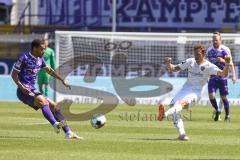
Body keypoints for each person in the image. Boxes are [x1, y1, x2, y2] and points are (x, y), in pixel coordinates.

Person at [11, 39, 83, 140]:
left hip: (32, 90)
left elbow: (50, 71)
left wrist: (62, 80)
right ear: (35, 48)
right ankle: (54, 124)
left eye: (44, 49)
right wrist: (21, 86)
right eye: (42, 49)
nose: (44, 51)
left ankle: (68, 132)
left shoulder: (40, 59)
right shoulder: (24, 58)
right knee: (43, 101)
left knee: (55, 106)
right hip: (23, 91)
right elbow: (13, 74)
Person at [157, 45, 231, 141]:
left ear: (203, 54)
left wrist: (227, 64)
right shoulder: (190, 61)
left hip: (196, 92)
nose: (196, 56)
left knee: (181, 103)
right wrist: (168, 63)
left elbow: (224, 74)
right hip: (185, 89)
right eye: (195, 53)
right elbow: (174, 68)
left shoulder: (209, 66)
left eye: (198, 54)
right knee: (173, 106)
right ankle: (182, 135)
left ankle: (164, 115)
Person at [207, 32, 236, 122]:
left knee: (223, 97)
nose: (214, 41)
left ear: (220, 40)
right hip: (212, 76)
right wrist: (207, 75)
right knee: (211, 96)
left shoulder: (225, 50)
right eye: (213, 40)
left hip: (223, 76)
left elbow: (230, 64)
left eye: (216, 40)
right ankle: (217, 110)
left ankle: (227, 116)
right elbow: (207, 64)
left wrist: (234, 75)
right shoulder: (209, 50)